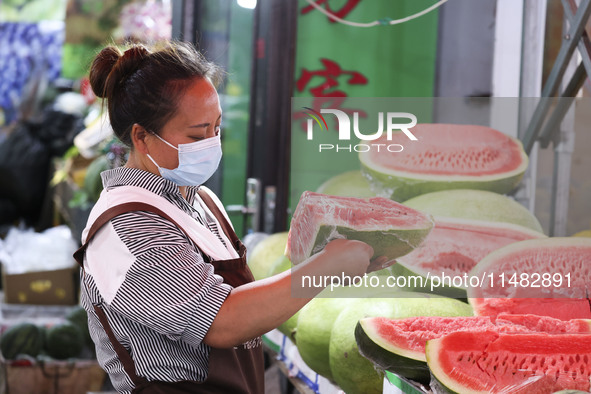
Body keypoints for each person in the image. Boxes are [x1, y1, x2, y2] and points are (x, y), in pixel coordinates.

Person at [74, 41, 375, 394]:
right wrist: (323, 269)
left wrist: (326, 254)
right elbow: (221, 321)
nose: (212, 142)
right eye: (197, 134)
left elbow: (247, 304)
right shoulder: (125, 227)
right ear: (142, 137)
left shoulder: (202, 201)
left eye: (216, 127)